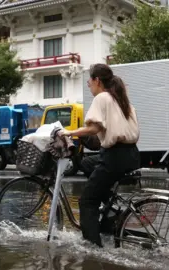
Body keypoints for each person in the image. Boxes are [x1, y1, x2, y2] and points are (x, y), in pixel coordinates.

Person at [59, 63, 141, 248]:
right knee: (87, 163)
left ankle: (92, 248)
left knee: (87, 201)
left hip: (114, 158)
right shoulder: (120, 99)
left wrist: (70, 133)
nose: (88, 83)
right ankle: (110, 210)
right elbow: (105, 132)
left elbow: (95, 128)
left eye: (89, 79)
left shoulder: (102, 97)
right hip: (131, 155)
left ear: (97, 80)